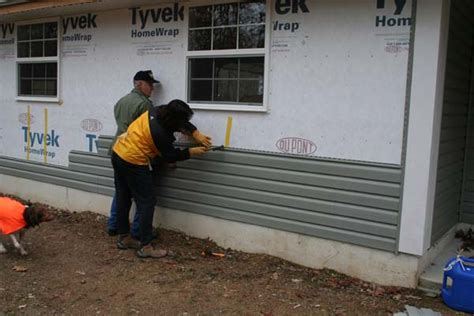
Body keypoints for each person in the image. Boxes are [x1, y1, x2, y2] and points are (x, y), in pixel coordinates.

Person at [111, 99, 212, 258]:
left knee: (123, 196)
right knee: (147, 202)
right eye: (183, 122)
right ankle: (146, 246)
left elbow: (179, 120)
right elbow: (170, 156)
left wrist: (195, 132)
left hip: (118, 152)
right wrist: (191, 152)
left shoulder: (158, 110)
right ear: (174, 120)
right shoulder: (159, 133)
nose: (184, 125)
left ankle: (124, 238)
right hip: (133, 161)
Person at [107, 70, 160, 237]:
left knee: (121, 191)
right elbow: (148, 131)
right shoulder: (145, 105)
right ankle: (139, 230)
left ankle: (114, 225)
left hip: (118, 148)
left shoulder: (121, 101)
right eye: (150, 85)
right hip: (134, 152)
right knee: (142, 195)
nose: (152, 88)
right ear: (139, 84)